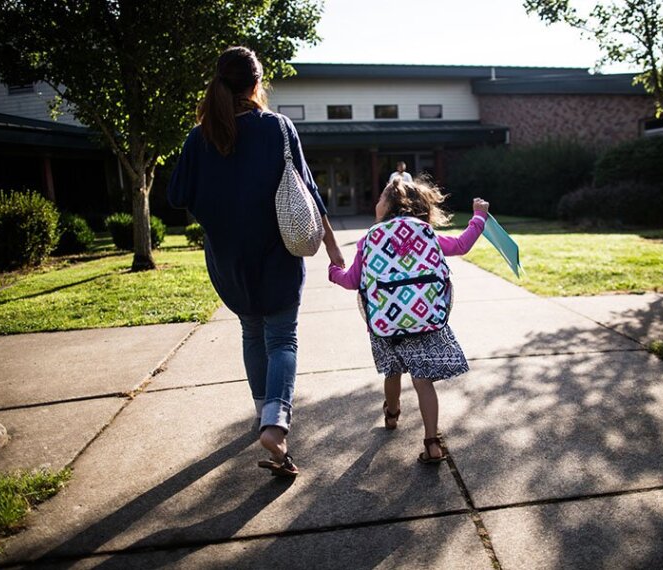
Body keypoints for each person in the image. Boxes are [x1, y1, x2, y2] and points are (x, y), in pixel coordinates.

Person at [168, 46, 345, 478]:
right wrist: (333, 246)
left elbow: (177, 196)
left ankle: (261, 412)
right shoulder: (278, 128)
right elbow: (307, 191)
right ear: (256, 84)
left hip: (229, 260)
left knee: (251, 330)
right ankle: (275, 423)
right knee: (282, 337)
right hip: (277, 252)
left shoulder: (199, 136)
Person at [328, 178, 489, 463]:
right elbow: (463, 245)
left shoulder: (370, 239)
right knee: (423, 381)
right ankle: (432, 443)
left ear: (390, 204)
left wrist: (333, 272)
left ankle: (392, 414)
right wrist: (478, 217)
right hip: (425, 319)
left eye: (380, 197)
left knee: (393, 372)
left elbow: (353, 281)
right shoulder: (426, 233)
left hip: (386, 326)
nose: (376, 202)